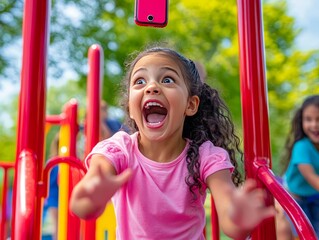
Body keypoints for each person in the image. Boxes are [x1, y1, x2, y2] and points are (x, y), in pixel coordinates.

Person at [70, 45, 275, 239]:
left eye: (167, 80)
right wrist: (90, 197)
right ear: (131, 109)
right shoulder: (118, 150)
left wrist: (237, 217)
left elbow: (232, 224)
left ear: (191, 104)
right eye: (140, 81)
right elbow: (82, 206)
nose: (151, 86)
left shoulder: (206, 156)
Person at [282, 95, 319, 238]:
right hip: (295, 199)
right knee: (301, 233)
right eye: (308, 119)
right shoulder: (302, 146)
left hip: (315, 198)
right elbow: (311, 176)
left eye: (318, 119)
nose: (314, 125)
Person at [42, 133, 60, 240]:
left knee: (58, 227)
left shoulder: (53, 162)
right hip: (54, 199)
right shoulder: (55, 163)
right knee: (56, 227)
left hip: (56, 199)